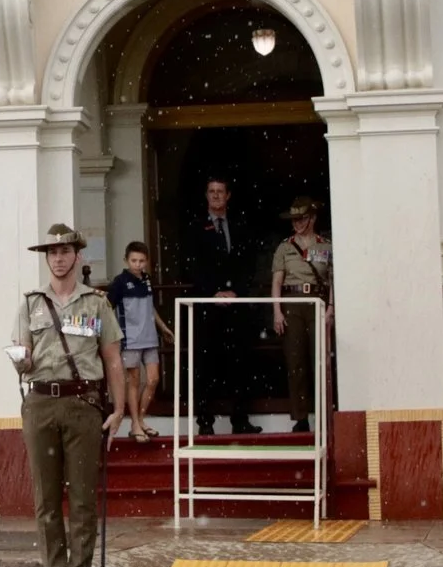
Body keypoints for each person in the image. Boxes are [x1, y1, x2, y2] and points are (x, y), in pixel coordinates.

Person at [10, 225, 125, 567]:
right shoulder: (30, 303)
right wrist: (20, 360)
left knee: (81, 494)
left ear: (77, 255)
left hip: (82, 403)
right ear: (47, 258)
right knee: (45, 494)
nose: (58, 258)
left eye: (64, 252)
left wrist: (119, 409)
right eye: (52, 253)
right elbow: (22, 352)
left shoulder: (96, 303)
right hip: (41, 401)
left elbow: (113, 360)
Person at [180, 176, 257, 435]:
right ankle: (205, 423)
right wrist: (214, 292)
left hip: (236, 307)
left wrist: (236, 291)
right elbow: (190, 266)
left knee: (241, 363)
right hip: (207, 308)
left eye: (219, 191)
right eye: (211, 191)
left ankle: (240, 420)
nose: (215, 196)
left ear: (228, 196)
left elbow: (249, 264)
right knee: (205, 365)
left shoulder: (240, 225)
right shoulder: (194, 227)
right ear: (206, 195)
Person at [269, 198, 331, 433]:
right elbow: (277, 281)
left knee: (320, 361)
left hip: (317, 301)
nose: (297, 223)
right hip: (292, 303)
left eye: (302, 218)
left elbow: (332, 280)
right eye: (294, 219)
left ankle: (324, 414)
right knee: (295, 362)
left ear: (313, 218)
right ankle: (301, 417)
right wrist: (277, 311)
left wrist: (331, 309)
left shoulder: (326, 246)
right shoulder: (284, 247)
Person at [108, 241, 166, 441]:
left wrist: (164, 328)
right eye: (134, 260)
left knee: (153, 379)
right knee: (133, 381)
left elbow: (150, 308)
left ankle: (140, 418)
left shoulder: (147, 280)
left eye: (141, 261)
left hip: (150, 337)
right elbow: (108, 308)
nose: (138, 265)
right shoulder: (120, 282)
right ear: (126, 260)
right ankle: (134, 423)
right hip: (130, 339)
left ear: (147, 262)